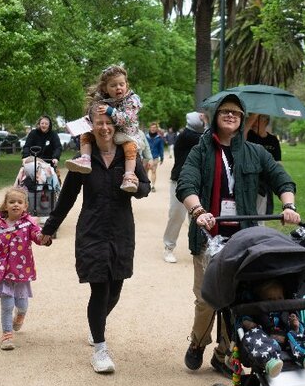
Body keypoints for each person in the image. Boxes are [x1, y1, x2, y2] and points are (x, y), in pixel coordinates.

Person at [177, 93, 301, 375]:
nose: (231, 115)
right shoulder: (201, 150)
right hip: (208, 235)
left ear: (242, 118)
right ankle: (197, 343)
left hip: (244, 238)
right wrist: (198, 212)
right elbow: (186, 184)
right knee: (207, 299)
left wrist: (288, 204)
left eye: (236, 112)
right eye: (225, 112)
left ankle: (223, 354)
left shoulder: (255, 152)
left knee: (237, 298)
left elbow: (280, 177)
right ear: (214, 116)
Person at [40, 104, 151, 374]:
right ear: (92, 126)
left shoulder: (129, 156)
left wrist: (136, 186)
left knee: (116, 289)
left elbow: (145, 188)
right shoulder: (83, 160)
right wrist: (49, 228)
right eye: (99, 123)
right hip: (92, 231)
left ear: (116, 126)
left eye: (108, 123)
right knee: (99, 289)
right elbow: (66, 197)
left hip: (122, 230)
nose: (104, 128)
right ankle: (100, 348)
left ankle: (95, 324)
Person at [0, 188, 48, 350]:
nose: (15, 205)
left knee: (22, 304)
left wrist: (45, 238)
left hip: (21, 272)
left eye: (19, 202)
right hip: (3, 272)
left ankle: (20, 315)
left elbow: (38, 237)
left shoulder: (28, 225)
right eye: (11, 202)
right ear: (5, 205)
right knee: (6, 305)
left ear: (25, 206)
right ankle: (7, 335)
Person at [65, 65, 145, 193]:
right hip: (112, 132)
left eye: (121, 84)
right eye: (113, 85)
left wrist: (111, 111)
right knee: (85, 134)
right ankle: (85, 158)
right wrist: (87, 121)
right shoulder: (104, 100)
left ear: (126, 85)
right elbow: (95, 114)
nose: (118, 88)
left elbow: (128, 118)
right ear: (105, 88)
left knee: (130, 148)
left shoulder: (132, 100)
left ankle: (129, 176)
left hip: (126, 134)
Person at [240, 279, 305, 377]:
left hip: (287, 343)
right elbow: (244, 319)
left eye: (280, 298)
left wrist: (296, 326)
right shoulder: (258, 313)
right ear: (261, 301)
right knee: (254, 333)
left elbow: (301, 331)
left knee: (295, 334)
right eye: (270, 300)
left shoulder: (286, 313)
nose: (276, 302)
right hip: (266, 343)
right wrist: (248, 323)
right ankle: (270, 362)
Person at [162, 111, 206, 264]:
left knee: (198, 216)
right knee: (177, 215)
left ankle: (199, 248)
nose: (204, 120)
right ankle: (168, 248)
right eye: (201, 118)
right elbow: (208, 138)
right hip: (179, 182)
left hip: (198, 183)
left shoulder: (200, 135)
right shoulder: (187, 135)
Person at [245, 114, 282, 215]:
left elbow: (277, 163)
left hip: (264, 183)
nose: (253, 122)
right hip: (249, 180)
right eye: (252, 119)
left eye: (257, 120)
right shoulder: (248, 135)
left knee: (260, 215)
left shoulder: (273, 140)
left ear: (266, 121)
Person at [145, 122, 165, 192]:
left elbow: (161, 148)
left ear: (156, 129)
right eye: (152, 127)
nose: (153, 129)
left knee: (153, 171)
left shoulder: (159, 138)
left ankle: (153, 186)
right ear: (149, 128)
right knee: (145, 172)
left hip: (155, 157)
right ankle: (147, 185)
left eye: (154, 128)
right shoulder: (145, 137)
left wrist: (162, 158)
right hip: (146, 157)